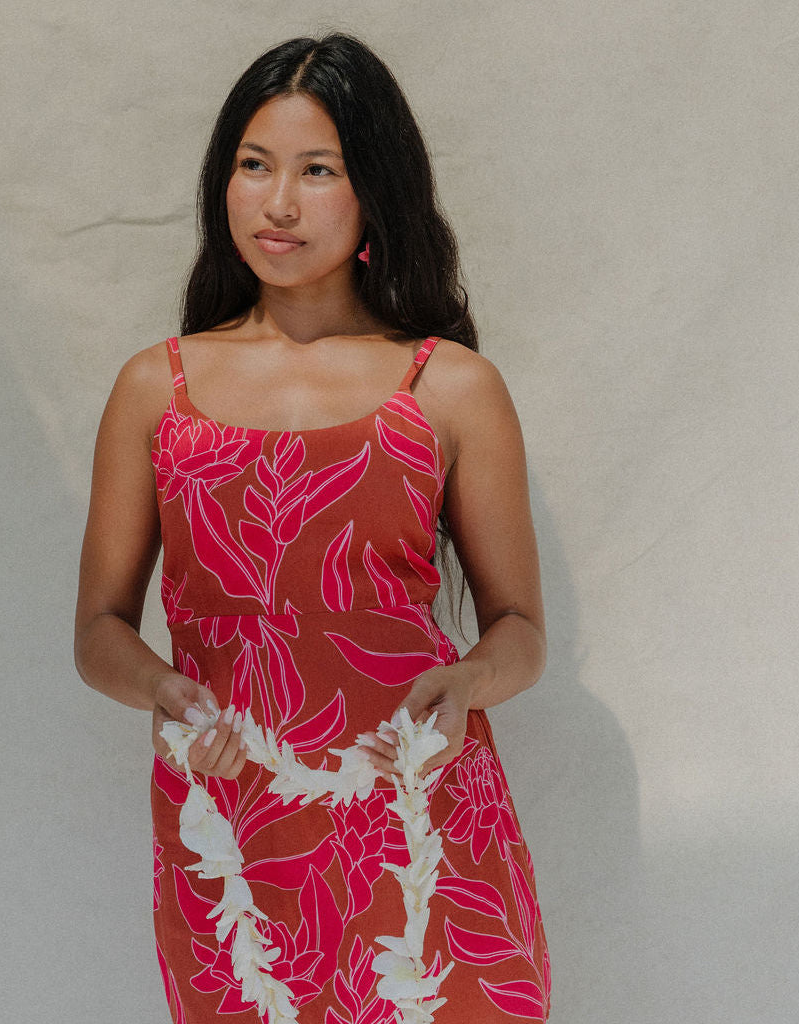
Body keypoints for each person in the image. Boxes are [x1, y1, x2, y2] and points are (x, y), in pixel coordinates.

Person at [75, 33, 550, 1024]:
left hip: (422, 823)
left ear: (374, 189)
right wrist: (161, 685)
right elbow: (99, 629)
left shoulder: (450, 386)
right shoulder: (152, 390)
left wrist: (468, 680)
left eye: (316, 170)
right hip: (235, 829)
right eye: (253, 166)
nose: (277, 203)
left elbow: (518, 627)